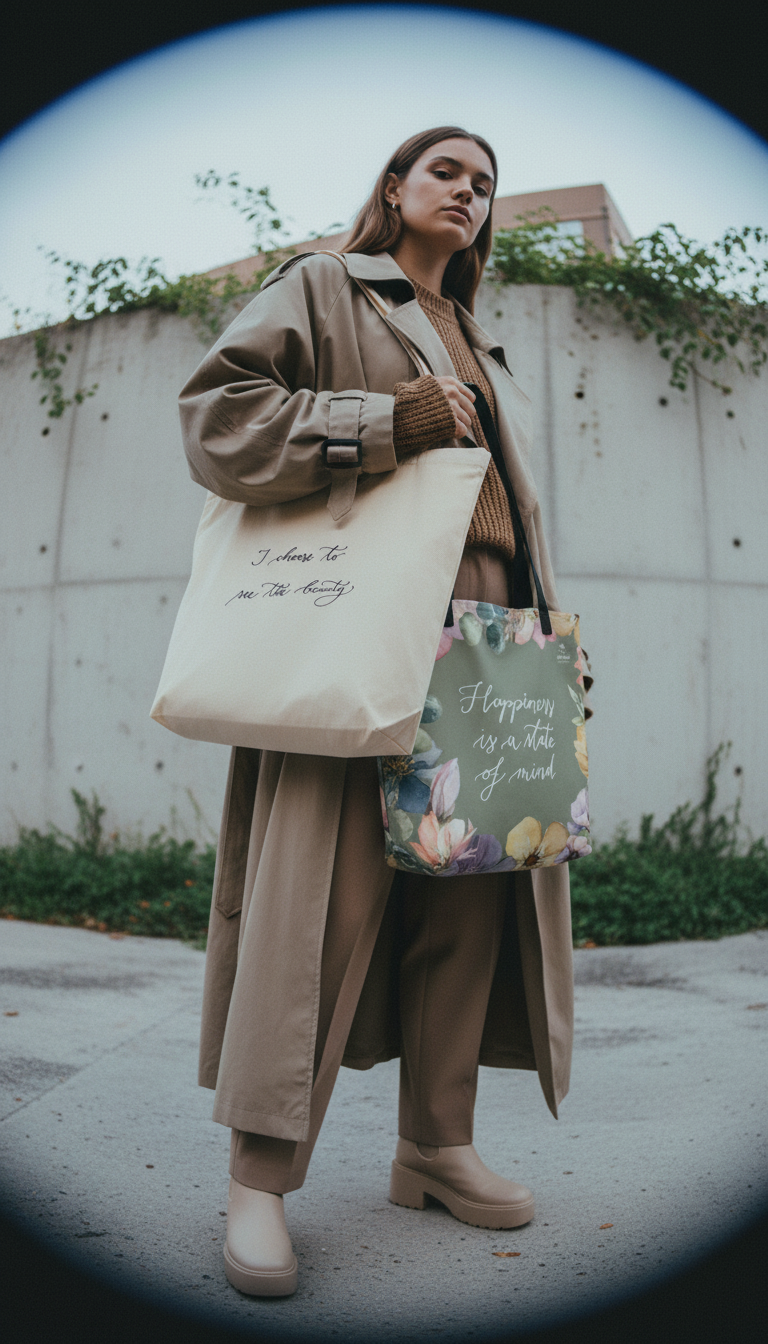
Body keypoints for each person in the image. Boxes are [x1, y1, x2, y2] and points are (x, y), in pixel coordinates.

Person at [178, 126, 574, 1298]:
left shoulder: (484, 342)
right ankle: (260, 1178)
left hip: (494, 637)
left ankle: (435, 1147)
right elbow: (218, 417)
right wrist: (388, 419)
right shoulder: (324, 286)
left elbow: (507, 519)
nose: (469, 191)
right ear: (394, 188)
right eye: (446, 170)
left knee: (471, 895)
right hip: (364, 625)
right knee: (325, 906)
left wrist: (547, 649)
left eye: (486, 183)